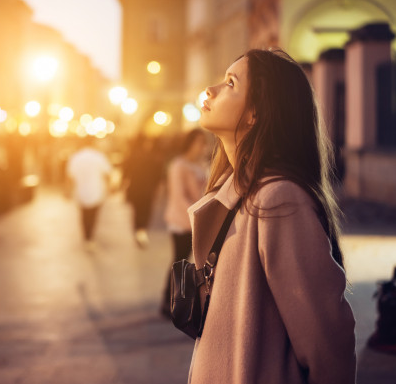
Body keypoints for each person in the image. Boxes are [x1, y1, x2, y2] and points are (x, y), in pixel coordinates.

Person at [186, 48, 356, 383]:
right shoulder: (234, 191)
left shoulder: (279, 200)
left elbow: (328, 339)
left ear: (255, 114)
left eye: (230, 84)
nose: (211, 90)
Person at [160, 128, 208, 317]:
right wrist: (197, 215)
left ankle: (180, 301)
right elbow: (179, 196)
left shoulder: (200, 164)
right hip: (181, 220)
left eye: (203, 143)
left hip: (196, 219)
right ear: (189, 143)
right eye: (199, 143)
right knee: (179, 261)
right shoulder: (178, 165)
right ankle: (168, 301)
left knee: (187, 262)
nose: (202, 147)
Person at [66, 136, 112, 251]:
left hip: (80, 191)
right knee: (93, 214)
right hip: (96, 190)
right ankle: (90, 237)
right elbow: (107, 174)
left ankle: (86, 236)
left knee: (84, 214)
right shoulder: (99, 157)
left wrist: (66, 190)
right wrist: (111, 187)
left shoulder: (75, 157)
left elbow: (69, 177)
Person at [122, 134, 164, 248]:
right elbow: (158, 174)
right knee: (145, 212)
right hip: (147, 190)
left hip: (136, 189)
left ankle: (138, 232)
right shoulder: (153, 157)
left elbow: (125, 173)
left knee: (137, 212)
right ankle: (141, 232)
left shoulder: (132, 156)